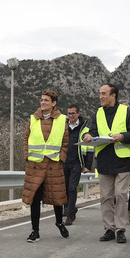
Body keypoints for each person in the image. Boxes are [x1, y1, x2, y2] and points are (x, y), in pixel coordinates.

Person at [82, 83, 130, 244]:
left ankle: (120, 229)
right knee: (106, 197)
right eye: (100, 93)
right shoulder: (98, 113)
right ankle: (109, 229)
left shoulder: (127, 112)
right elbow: (93, 131)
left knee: (121, 195)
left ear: (113, 95)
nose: (100, 96)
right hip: (104, 161)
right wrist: (87, 135)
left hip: (123, 160)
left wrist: (122, 136)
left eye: (103, 94)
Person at [22, 90, 69, 242]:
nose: (43, 103)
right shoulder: (33, 119)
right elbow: (26, 138)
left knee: (57, 197)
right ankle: (35, 231)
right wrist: (27, 156)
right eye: (41, 100)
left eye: (46, 100)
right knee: (35, 198)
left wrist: (61, 158)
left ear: (54, 103)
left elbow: (65, 142)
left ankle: (59, 222)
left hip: (53, 164)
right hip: (35, 165)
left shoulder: (62, 120)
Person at [63, 104, 93, 226]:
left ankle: (69, 215)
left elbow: (90, 148)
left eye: (73, 113)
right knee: (64, 188)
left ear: (78, 114)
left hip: (77, 163)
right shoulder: (63, 126)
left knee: (72, 188)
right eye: (69, 113)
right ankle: (70, 208)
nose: (71, 116)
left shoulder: (85, 128)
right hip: (64, 162)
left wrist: (87, 165)